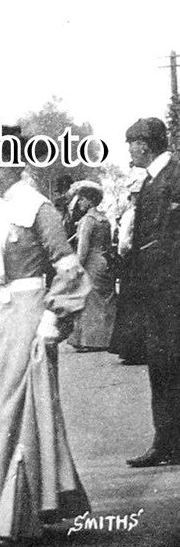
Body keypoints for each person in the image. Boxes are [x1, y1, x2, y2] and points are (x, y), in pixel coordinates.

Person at [0, 126, 89, 544]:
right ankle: (6, 512)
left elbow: (69, 269)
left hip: (29, 315)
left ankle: (17, 514)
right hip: (0, 317)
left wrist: (52, 316)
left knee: (16, 409)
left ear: (20, 163)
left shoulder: (39, 208)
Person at [122, 117, 180, 467]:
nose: (129, 150)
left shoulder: (173, 177)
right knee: (161, 365)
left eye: (131, 143)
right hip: (156, 292)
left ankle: (169, 443)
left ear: (145, 145)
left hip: (170, 291)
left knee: (170, 364)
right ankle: (167, 440)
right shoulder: (152, 180)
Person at [66, 180, 116, 351]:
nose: (79, 202)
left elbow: (83, 248)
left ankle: (91, 340)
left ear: (90, 200)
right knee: (104, 300)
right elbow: (108, 245)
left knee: (91, 300)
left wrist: (77, 268)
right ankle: (106, 339)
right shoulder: (104, 219)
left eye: (82, 199)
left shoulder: (87, 220)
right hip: (104, 261)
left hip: (91, 263)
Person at [110, 175, 147, 363]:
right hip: (142, 260)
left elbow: (123, 243)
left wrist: (124, 255)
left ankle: (131, 350)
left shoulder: (130, 214)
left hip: (131, 261)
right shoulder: (144, 213)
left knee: (129, 305)